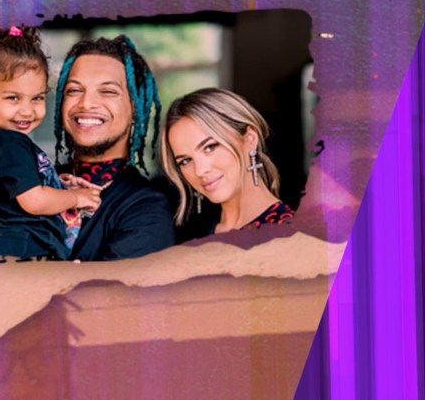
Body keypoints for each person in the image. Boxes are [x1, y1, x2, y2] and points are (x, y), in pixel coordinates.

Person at [0, 26, 102, 264]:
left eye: (37, 98)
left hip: (8, 251)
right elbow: (35, 201)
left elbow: (19, 187)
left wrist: (54, 183)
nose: (27, 110)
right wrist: (75, 197)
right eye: (13, 98)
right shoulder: (8, 142)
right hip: (17, 253)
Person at [53, 35, 176, 260]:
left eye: (108, 91)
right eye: (74, 90)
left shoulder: (146, 208)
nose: (86, 103)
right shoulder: (34, 182)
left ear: (135, 108)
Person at [159, 87, 295, 237]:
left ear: (250, 138)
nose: (200, 171)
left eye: (210, 147)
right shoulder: (191, 232)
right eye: (186, 161)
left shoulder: (289, 235)